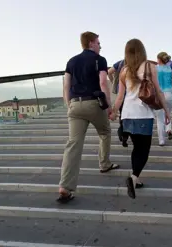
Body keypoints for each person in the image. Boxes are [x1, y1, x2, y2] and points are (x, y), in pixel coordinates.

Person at [57, 31, 120, 203]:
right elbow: (102, 82)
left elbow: (66, 85)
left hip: (75, 105)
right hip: (94, 103)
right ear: (91, 43)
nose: (100, 46)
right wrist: (108, 107)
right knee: (105, 132)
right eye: (99, 43)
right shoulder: (100, 60)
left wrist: (68, 104)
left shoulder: (71, 61)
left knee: (73, 144)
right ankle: (104, 164)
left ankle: (65, 187)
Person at [111, 38, 171, 199]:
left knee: (136, 148)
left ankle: (123, 132)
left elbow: (120, 97)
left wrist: (114, 112)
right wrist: (166, 111)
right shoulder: (150, 66)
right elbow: (158, 91)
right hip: (143, 114)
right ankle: (133, 177)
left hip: (127, 115)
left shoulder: (123, 70)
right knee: (143, 151)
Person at [155, 52, 172, 146]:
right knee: (167, 114)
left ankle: (161, 140)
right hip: (170, 94)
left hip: (160, 94)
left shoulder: (156, 68)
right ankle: (168, 129)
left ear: (159, 59)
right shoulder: (169, 68)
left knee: (159, 119)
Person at [108, 60, 129, 147]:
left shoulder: (121, 63)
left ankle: (122, 132)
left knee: (123, 115)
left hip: (121, 92)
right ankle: (125, 134)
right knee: (129, 116)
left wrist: (113, 82)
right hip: (133, 96)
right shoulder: (138, 62)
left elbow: (109, 72)